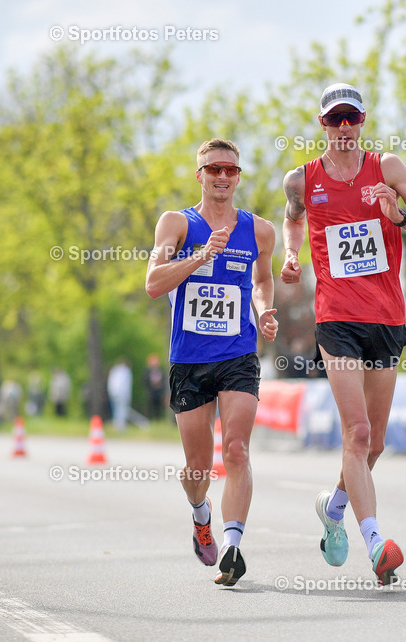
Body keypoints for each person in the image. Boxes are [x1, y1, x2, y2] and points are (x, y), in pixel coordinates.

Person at [281, 83, 406, 585]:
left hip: (386, 319)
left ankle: (333, 507)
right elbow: (293, 220)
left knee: (374, 445)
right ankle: (376, 544)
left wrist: (398, 215)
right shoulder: (301, 179)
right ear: (322, 124)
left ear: (363, 121)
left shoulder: (387, 168)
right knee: (357, 433)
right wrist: (290, 255)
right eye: (335, 119)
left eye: (351, 118)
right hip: (336, 319)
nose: (344, 127)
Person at [145, 138, 278, 586]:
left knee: (236, 450)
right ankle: (200, 513)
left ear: (238, 177)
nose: (222, 176)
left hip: (238, 354)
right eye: (214, 169)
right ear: (199, 175)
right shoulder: (177, 223)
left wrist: (265, 310)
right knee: (197, 469)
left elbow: (262, 280)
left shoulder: (260, 231)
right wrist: (201, 255)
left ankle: (232, 547)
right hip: (189, 359)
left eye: (230, 170)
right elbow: (153, 283)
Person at [107, 358, 134, 431]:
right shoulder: (125, 371)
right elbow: (125, 385)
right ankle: (121, 425)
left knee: (116, 409)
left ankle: (117, 424)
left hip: (114, 393)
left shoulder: (114, 371)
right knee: (122, 410)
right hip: (122, 393)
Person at [142, 355, 166, 421]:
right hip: (150, 392)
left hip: (159, 393)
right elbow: (144, 381)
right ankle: (149, 420)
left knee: (158, 408)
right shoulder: (147, 371)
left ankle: (158, 420)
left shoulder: (161, 370)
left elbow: (164, 382)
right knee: (149, 408)